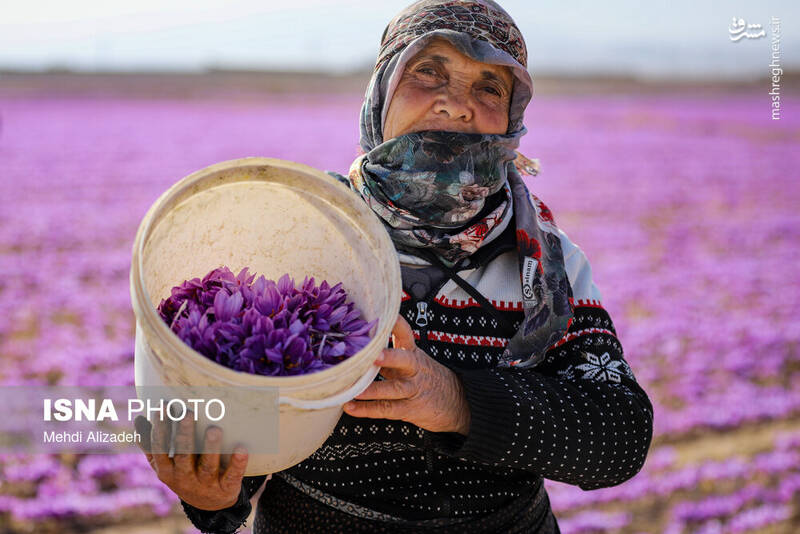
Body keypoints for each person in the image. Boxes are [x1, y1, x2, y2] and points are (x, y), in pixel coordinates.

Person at [140, 1, 654, 532]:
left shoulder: (545, 260)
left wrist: (456, 399)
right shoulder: (303, 232)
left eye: (490, 87)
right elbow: (244, 412)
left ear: (513, 116)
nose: (455, 106)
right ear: (381, 92)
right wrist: (214, 496)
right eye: (427, 72)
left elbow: (619, 435)